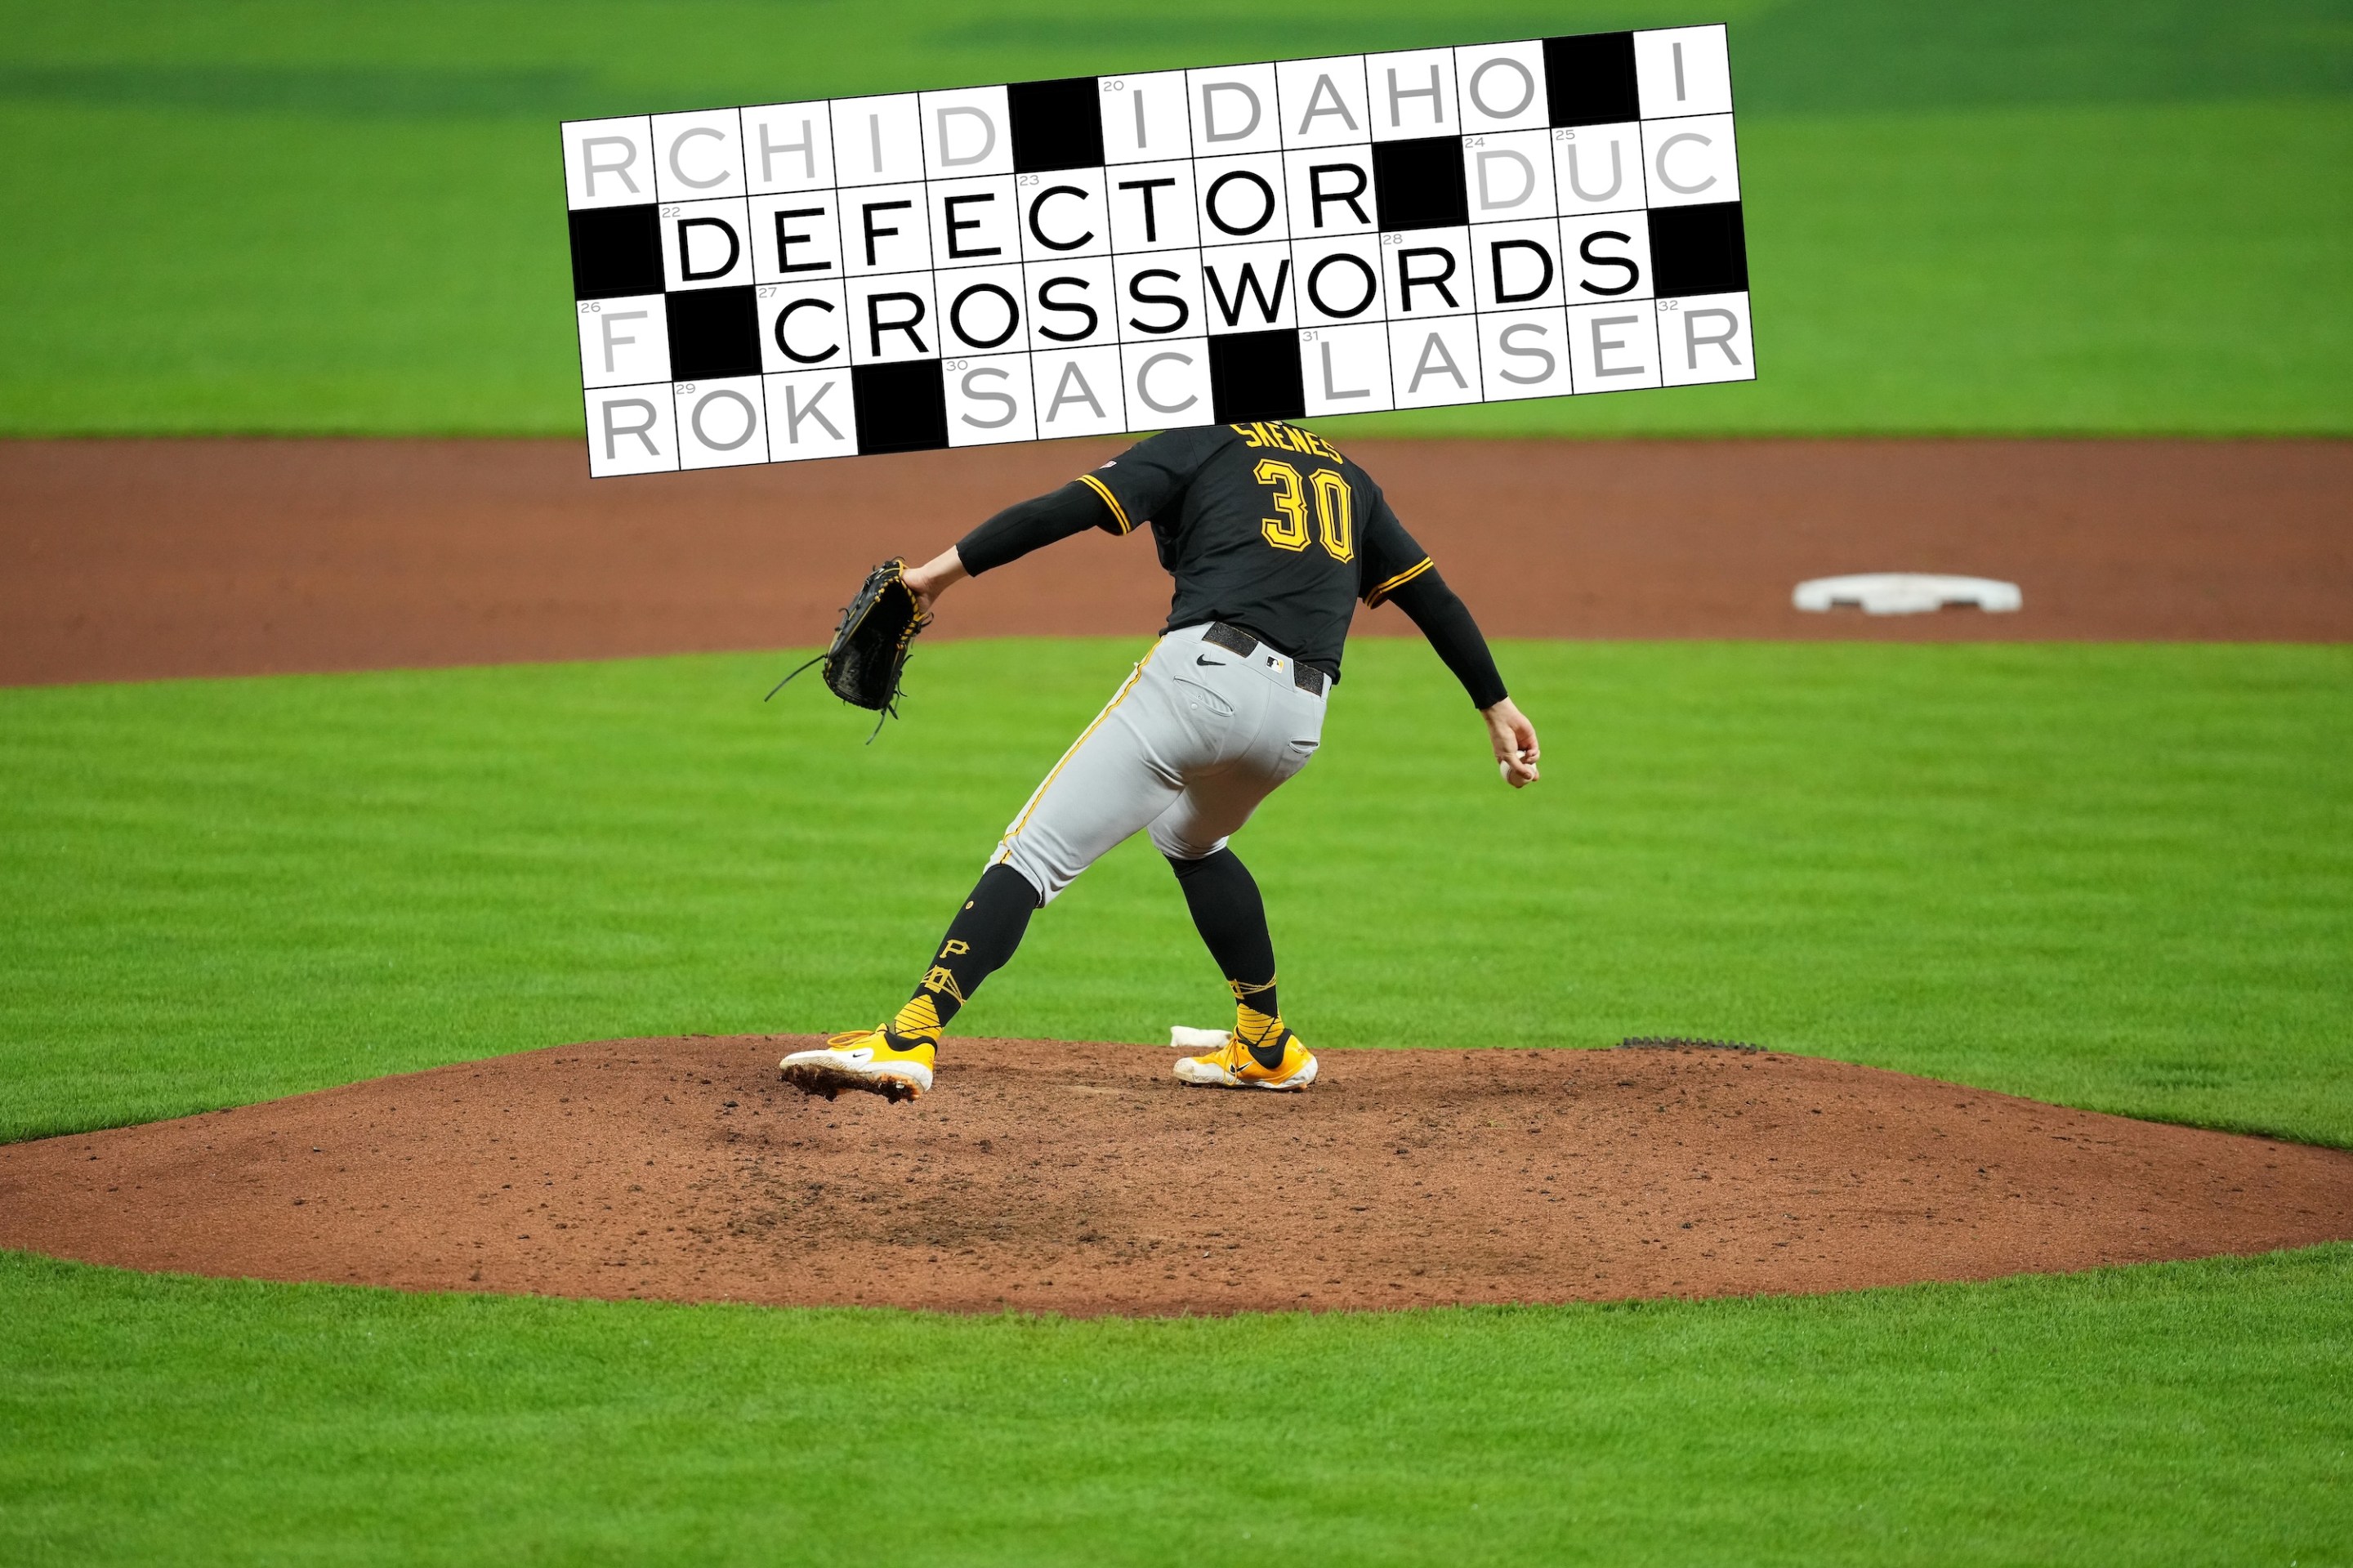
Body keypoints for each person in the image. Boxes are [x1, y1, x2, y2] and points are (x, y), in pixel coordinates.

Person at [780, 420, 1539, 1101]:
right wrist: (1496, 705)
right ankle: (1266, 1043)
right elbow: (1432, 597)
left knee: (1033, 851)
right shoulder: (1345, 475)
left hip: (1202, 681)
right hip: (1300, 719)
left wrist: (929, 578)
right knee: (1192, 837)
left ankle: (911, 1034)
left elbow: (1062, 509)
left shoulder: (1204, 441)